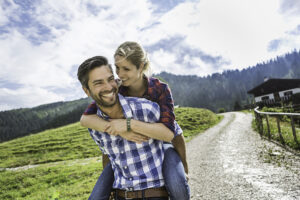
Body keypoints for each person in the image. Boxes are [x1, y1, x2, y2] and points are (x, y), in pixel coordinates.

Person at [81, 42, 190, 200]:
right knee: (97, 195)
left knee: (178, 184)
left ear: (141, 66)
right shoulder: (117, 88)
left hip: (162, 143)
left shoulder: (160, 89)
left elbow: (172, 133)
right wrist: (117, 129)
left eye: (126, 69)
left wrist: (185, 166)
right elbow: (85, 118)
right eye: (117, 68)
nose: (120, 74)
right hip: (125, 151)